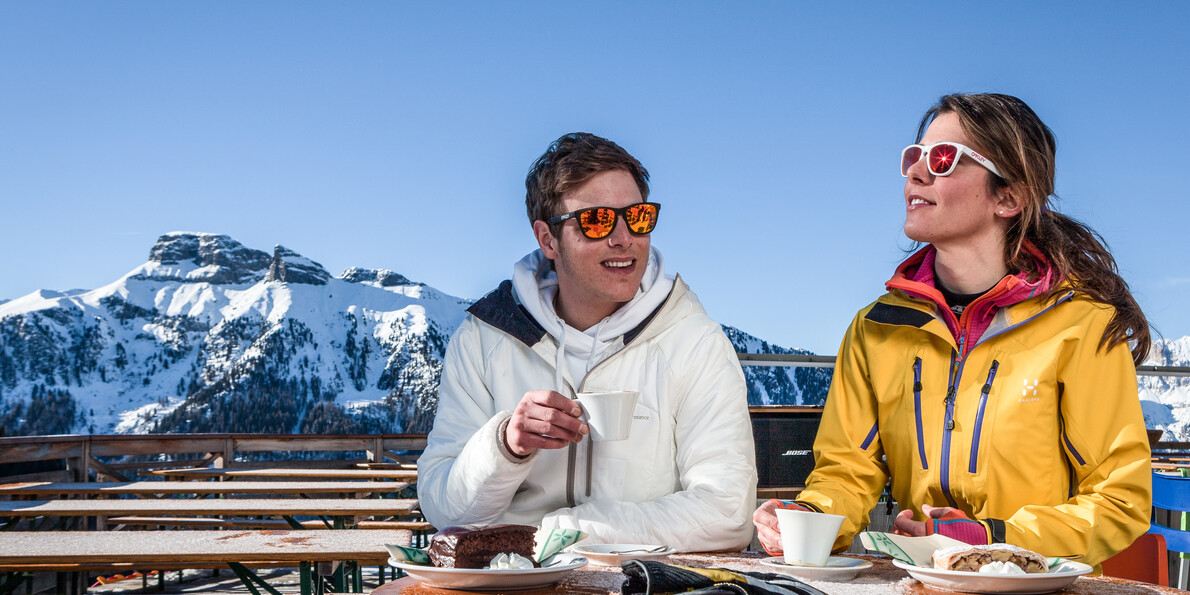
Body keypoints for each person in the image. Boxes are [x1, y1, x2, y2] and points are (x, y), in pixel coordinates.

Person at [753, 93, 1152, 567]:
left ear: (1009, 197)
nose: (916, 173)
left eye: (943, 160)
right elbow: (846, 470)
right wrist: (809, 516)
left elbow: (1118, 502)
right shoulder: (876, 328)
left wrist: (988, 538)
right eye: (914, 157)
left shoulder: (1081, 324)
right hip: (924, 579)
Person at [419, 132, 757, 551]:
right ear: (547, 241)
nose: (623, 239)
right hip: (513, 582)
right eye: (597, 222)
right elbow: (443, 509)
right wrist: (506, 446)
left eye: (638, 218)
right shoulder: (485, 339)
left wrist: (569, 532)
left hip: (638, 583)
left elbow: (727, 512)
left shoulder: (693, 341)